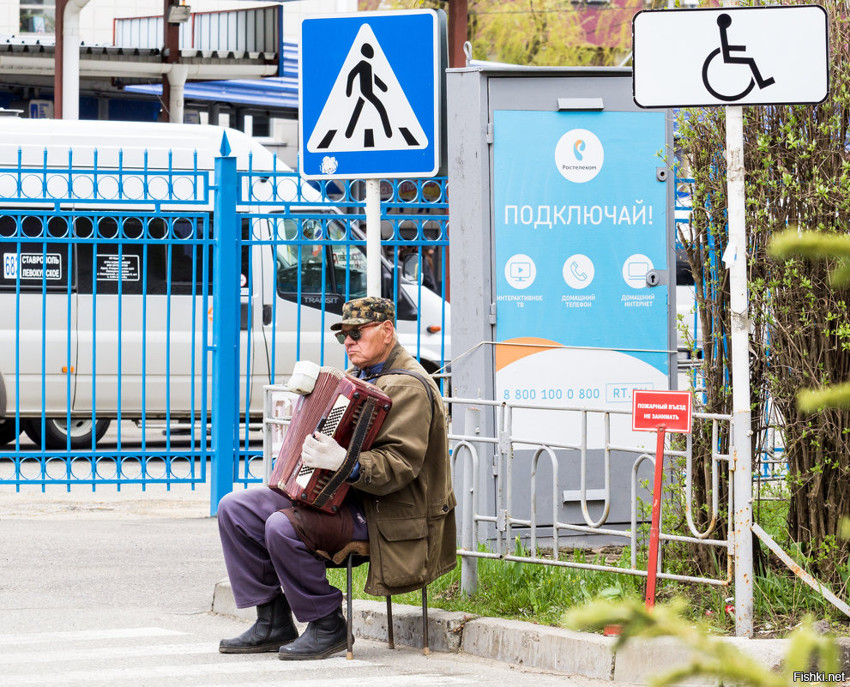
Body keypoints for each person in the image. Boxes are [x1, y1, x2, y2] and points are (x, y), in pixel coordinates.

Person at [216, 296, 456, 660]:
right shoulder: (358, 378)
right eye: (343, 334)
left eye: (357, 333)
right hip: (344, 498)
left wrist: (346, 462)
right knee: (236, 509)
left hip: (387, 516)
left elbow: (399, 464)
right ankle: (272, 621)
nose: (348, 341)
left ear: (387, 331)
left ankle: (328, 624)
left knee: (283, 526)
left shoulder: (408, 386)